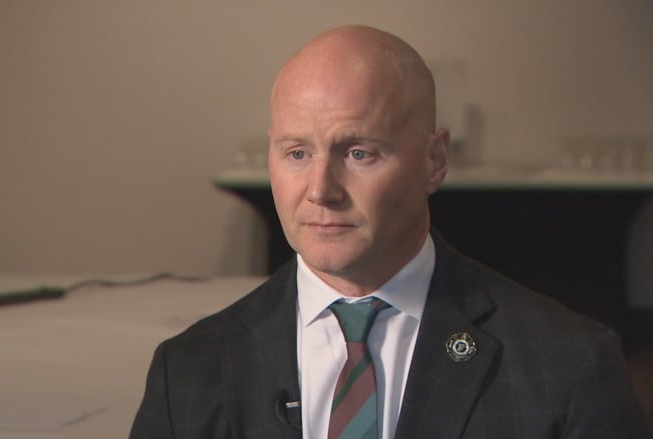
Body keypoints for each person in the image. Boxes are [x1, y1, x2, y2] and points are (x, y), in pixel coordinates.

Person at [130, 25, 651, 438]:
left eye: (358, 153)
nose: (320, 189)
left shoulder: (568, 365)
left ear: (434, 159)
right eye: (297, 153)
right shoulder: (190, 372)